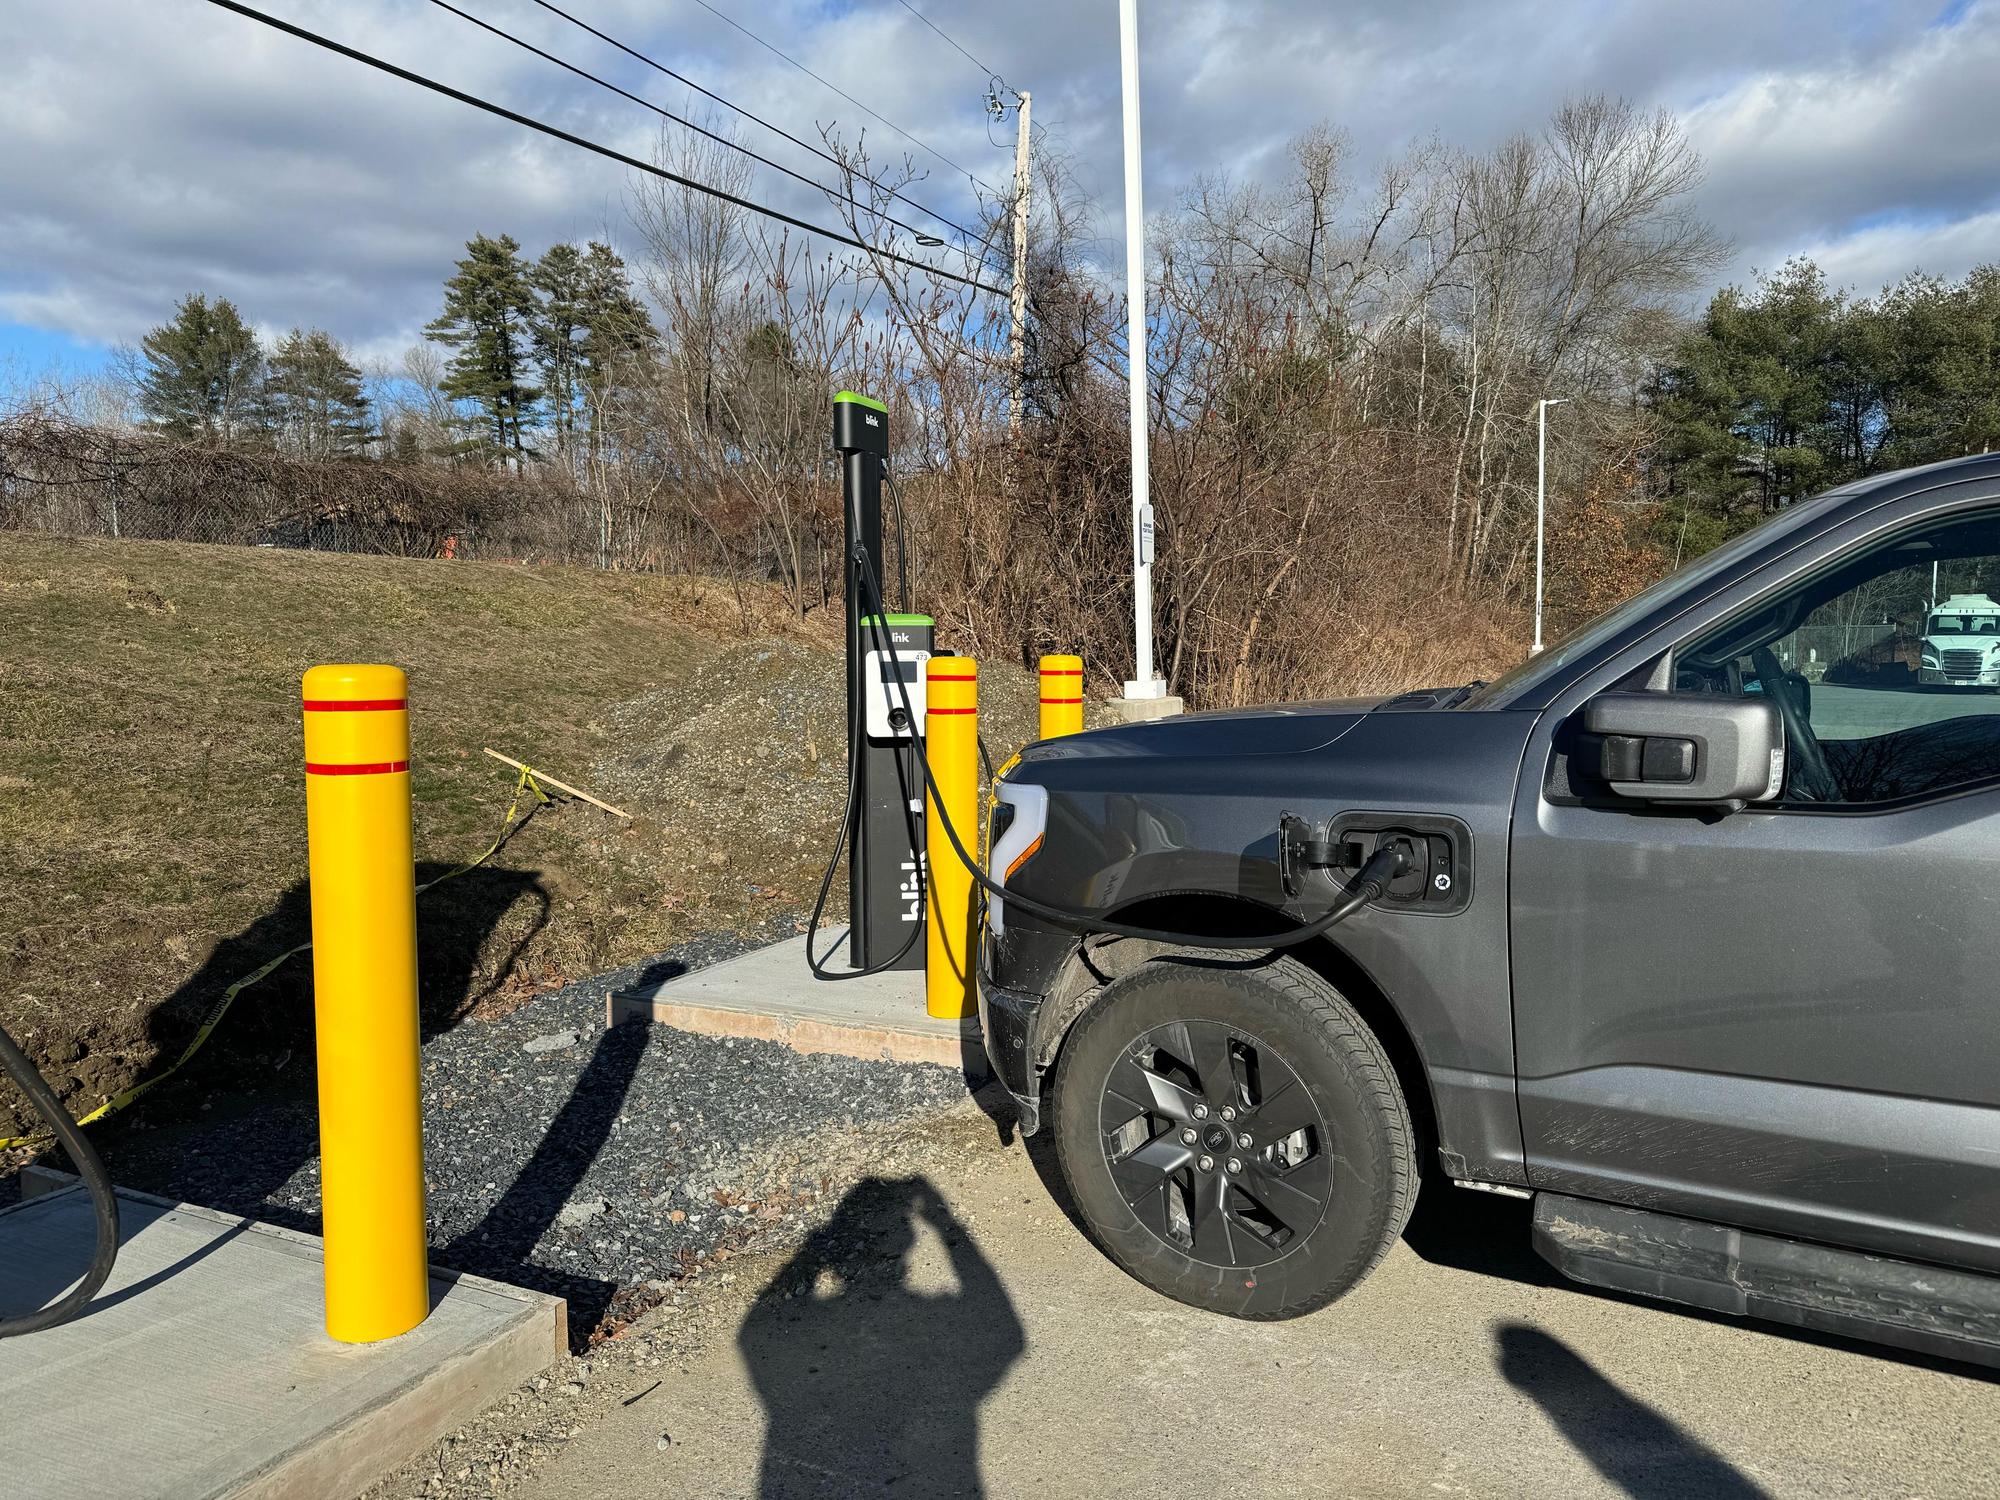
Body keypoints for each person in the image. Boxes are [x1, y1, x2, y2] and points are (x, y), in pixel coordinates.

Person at [740, 1175, 1025, 1497]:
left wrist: (812, 1252)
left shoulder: (823, 1333)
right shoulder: (932, 1323)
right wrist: (945, 1225)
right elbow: (1008, 1336)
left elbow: (753, 1335)